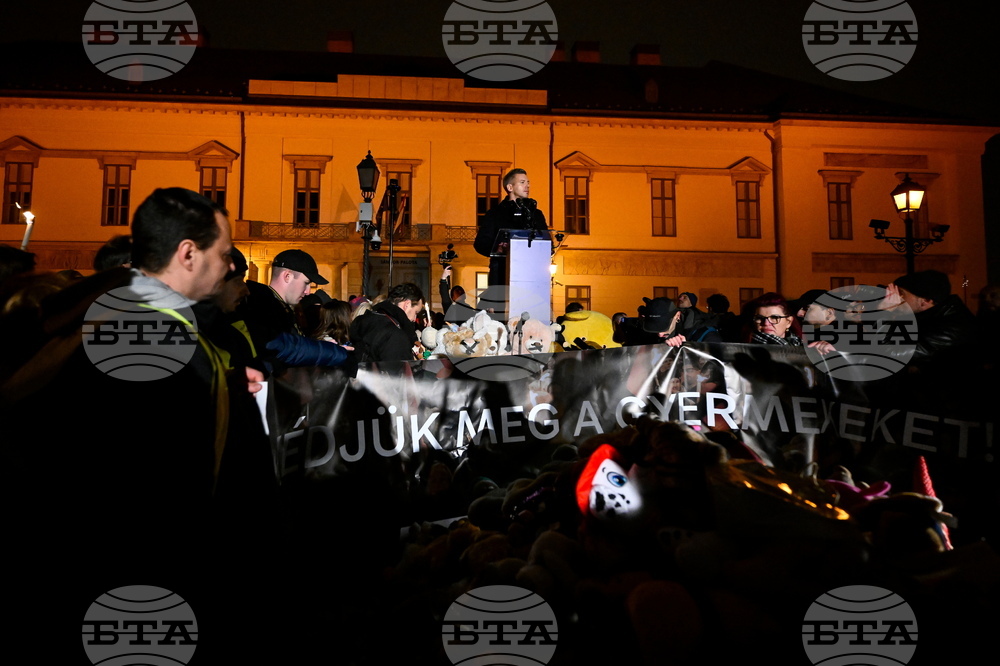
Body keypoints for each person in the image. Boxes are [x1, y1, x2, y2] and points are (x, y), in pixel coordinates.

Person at [241, 248, 351, 372]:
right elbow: (283, 350)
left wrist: (319, 346)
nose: (308, 291)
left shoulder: (280, 307)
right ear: (287, 276)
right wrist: (327, 351)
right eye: (306, 283)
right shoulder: (262, 308)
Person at [473, 168, 548, 287]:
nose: (527, 186)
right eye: (522, 182)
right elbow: (481, 244)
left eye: (528, 182)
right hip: (502, 274)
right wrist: (498, 248)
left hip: (532, 274)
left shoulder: (536, 214)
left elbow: (546, 240)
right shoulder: (495, 214)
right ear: (510, 188)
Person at [349, 282, 425, 365]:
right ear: (407, 305)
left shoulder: (366, 320)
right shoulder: (395, 335)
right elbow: (399, 374)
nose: (414, 319)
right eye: (416, 312)